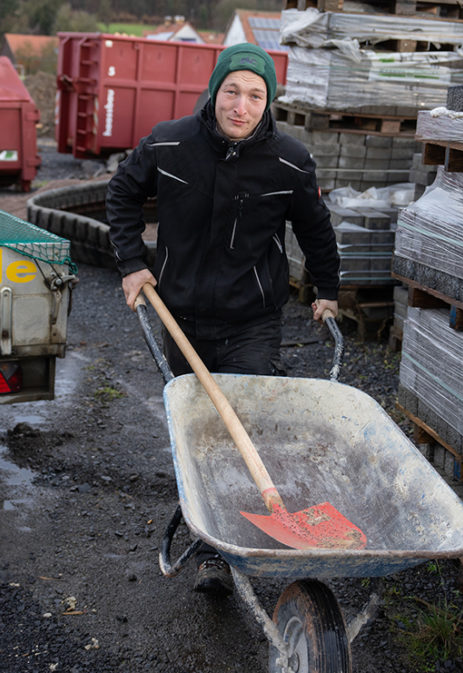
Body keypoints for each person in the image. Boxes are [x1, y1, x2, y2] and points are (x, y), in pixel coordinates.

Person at [106, 43, 340, 597]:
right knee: (199, 431)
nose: (241, 105)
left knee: (242, 426)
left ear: (269, 102)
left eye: (255, 95)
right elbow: (121, 192)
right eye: (232, 91)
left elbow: (315, 228)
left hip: (251, 320)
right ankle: (214, 541)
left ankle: (236, 537)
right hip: (179, 315)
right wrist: (132, 263)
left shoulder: (289, 160)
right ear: (214, 91)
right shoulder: (169, 142)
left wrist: (327, 291)